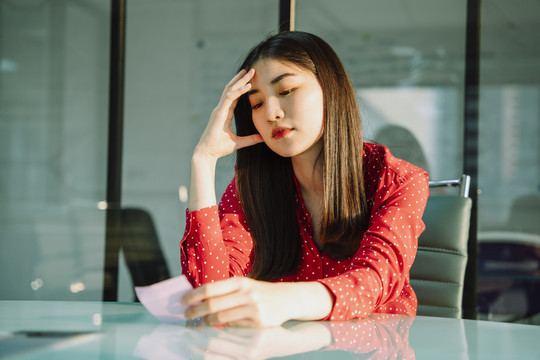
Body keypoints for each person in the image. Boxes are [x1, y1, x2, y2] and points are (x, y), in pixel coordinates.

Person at [180, 31, 429, 327]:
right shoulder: (251, 189)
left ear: (330, 88)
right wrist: (204, 160)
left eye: (286, 91)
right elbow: (212, 298)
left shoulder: (398, 180)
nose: (271, 113)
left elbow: (372, 281)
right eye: (256, 103)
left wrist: (286, 301)